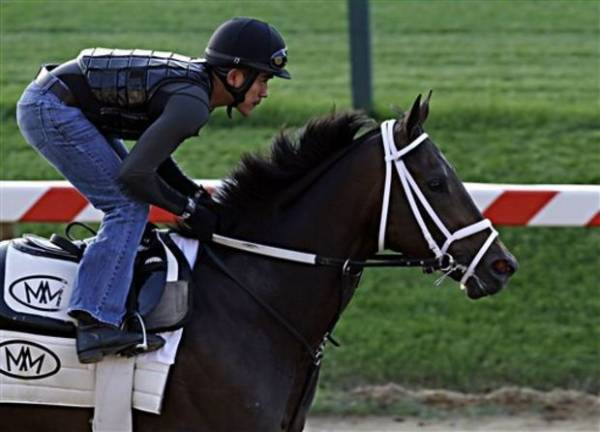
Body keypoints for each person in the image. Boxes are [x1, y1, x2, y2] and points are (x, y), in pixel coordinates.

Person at [16, 17, 291, 363]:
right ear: (235, 77)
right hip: (53, 108)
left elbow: (154, 160)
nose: (265, 90)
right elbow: (137, 174)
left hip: (64, 103)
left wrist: (193, 196)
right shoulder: (191, 104)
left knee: (131, 203)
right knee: (127, 206)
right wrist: (187, 210)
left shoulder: (195, 89)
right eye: (263, 79)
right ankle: (96, 321)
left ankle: (111, 300)